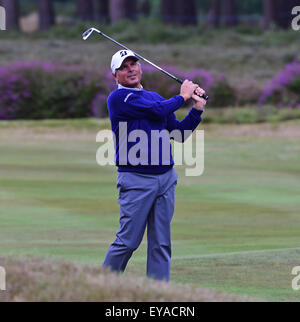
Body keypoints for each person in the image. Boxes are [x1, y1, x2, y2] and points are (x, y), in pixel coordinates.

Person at [102, 50, 207, 282]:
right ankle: (99, 287)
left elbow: (179, 134)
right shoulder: (119, 99)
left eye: (133, 65)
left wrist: (196, 109)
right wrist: (183, 96)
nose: (130, 69)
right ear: (115, 75)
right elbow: (157, 110)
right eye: (124, 67)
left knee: (161, 243)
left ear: (140, 69)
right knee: (128, 242)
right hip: (136, 179)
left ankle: (158, 295)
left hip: (165, 178)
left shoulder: (155, 97)